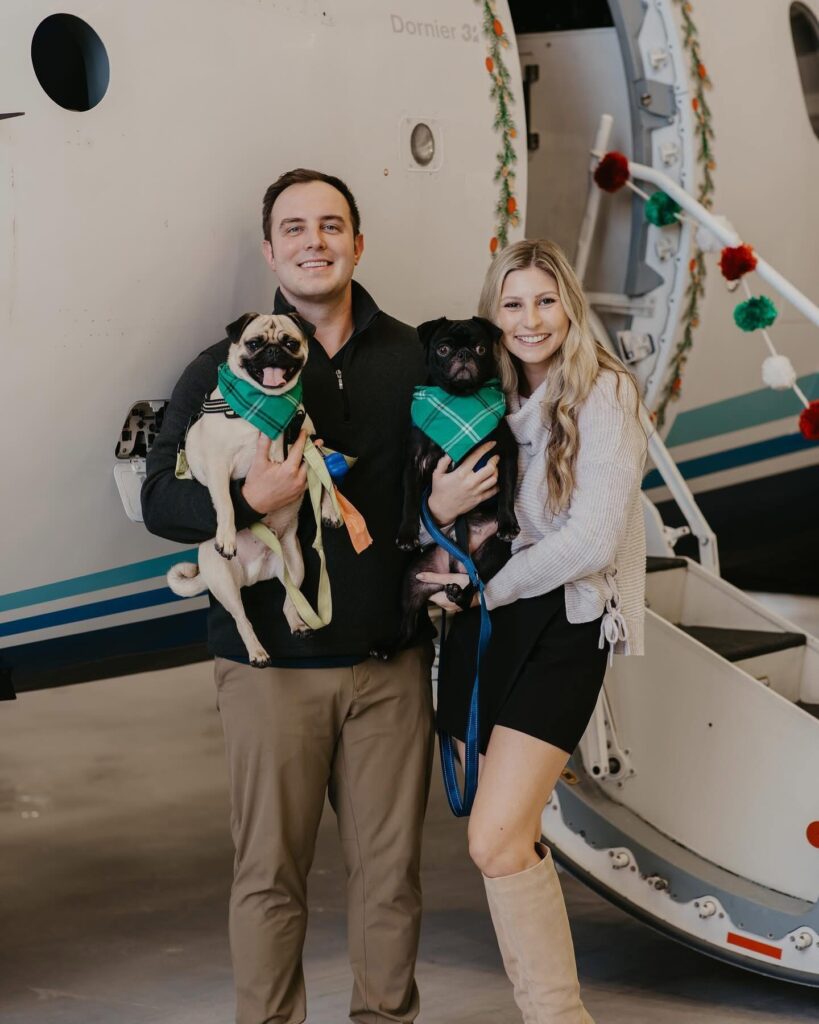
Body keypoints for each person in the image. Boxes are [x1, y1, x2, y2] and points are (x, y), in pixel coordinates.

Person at [141, 168, 446, 1024]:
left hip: (388, 663)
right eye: (295, 228)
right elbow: (160, 501)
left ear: (357, 242)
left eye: (332, 225)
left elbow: (440, 476)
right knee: (269, 876)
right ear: (270, 249)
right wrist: (247, 502)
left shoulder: (410, 356)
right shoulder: (221, 365)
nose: (315, 240)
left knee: (390, 881)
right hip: (269, 668)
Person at [417, 239, 646, 1023]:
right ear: (492, 317)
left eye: (545, 301)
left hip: (561, 623)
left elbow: (588, 541)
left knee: (494, 839)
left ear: (570, 308)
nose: (529, 319)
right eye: (512, 304)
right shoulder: (486, 404)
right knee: (501, 837)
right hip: (497, 622)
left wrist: (488, 593)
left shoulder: (604, 395)